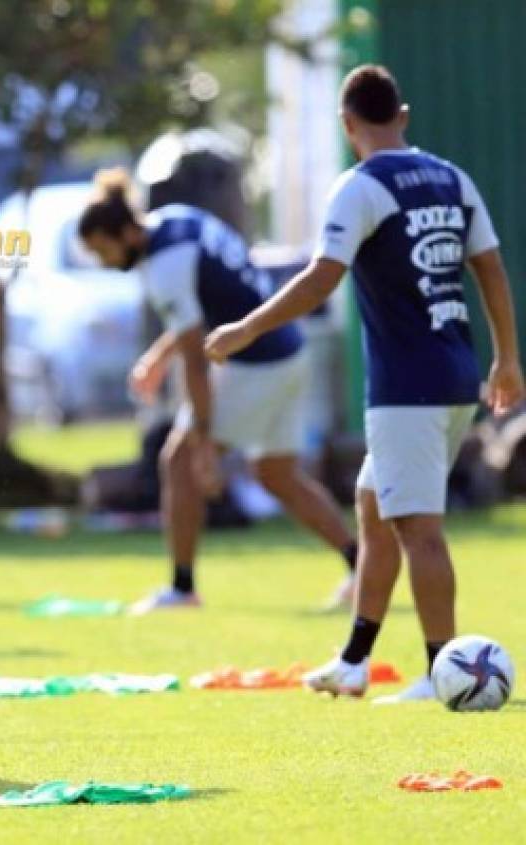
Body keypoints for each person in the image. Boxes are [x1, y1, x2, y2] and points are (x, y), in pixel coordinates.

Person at [205, 65, 524, 703]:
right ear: (401, 115)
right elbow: (488, 267)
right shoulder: (450, 178)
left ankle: (445, 674)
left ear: (348, 125)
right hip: (458, 370)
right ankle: (353, 661)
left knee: (419, 531)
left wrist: (246, 327)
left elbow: (324, 276)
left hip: (408, 384)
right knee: (374, 506)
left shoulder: (359, 186)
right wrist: (507, 359)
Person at [79, 169, 359, 615]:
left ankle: (182, 587)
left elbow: (195, 356)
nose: (104, 261)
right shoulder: (175, 220)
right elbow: (218, 299)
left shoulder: (163, 265)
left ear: (127, 233)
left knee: (179, 461)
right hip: (289, 348)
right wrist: (158, 356)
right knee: (276, 474)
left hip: (257, 363)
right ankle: (360, 564)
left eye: (103, 250)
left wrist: (204, 442)